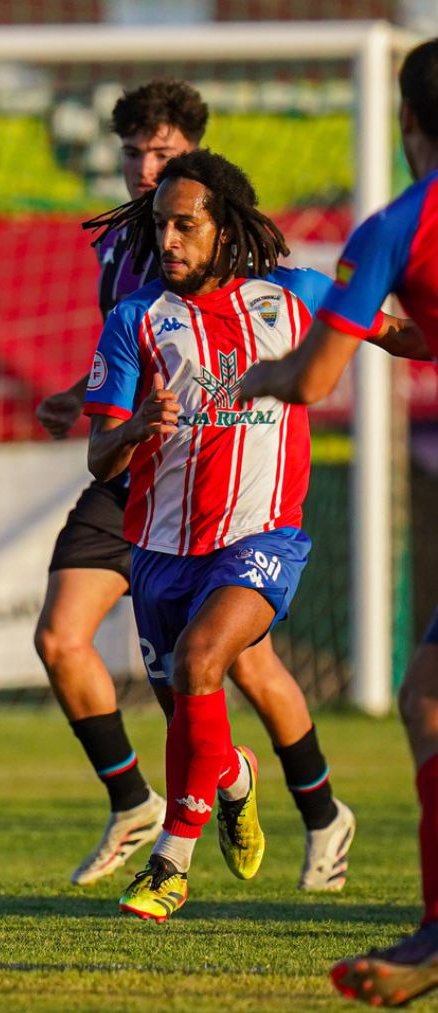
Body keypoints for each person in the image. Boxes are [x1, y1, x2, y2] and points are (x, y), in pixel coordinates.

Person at [32, 79, 356, 892]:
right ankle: (155, 793)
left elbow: (320, 323)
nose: (147, 171)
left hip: (235, 491)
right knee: (73, 641)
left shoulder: (261, 275)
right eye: (135, 154)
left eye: (164, 154)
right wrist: (98, 402)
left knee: (227, 661)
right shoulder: (124, 253)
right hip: (144, 474)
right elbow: (142, 347)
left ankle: (300, 818)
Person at [81, 149, 421, 921]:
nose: (167, 240)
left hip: (262, 537)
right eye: (160, 224)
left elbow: (398, 331)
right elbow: (101, 457)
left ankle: (170, 863)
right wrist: (136, 426)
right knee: (188, 712)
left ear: (224, 229)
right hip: (161, 553)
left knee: (206, 660)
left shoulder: (293, 296)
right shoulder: (135, 322)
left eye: (185, 226)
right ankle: (231, 776)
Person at [239, 37, 438, 1005]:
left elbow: (315, 378)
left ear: (408, 124)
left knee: (432, 702)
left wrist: (268, 369)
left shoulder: (399, 225)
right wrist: (380, 328)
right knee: (430, 697)